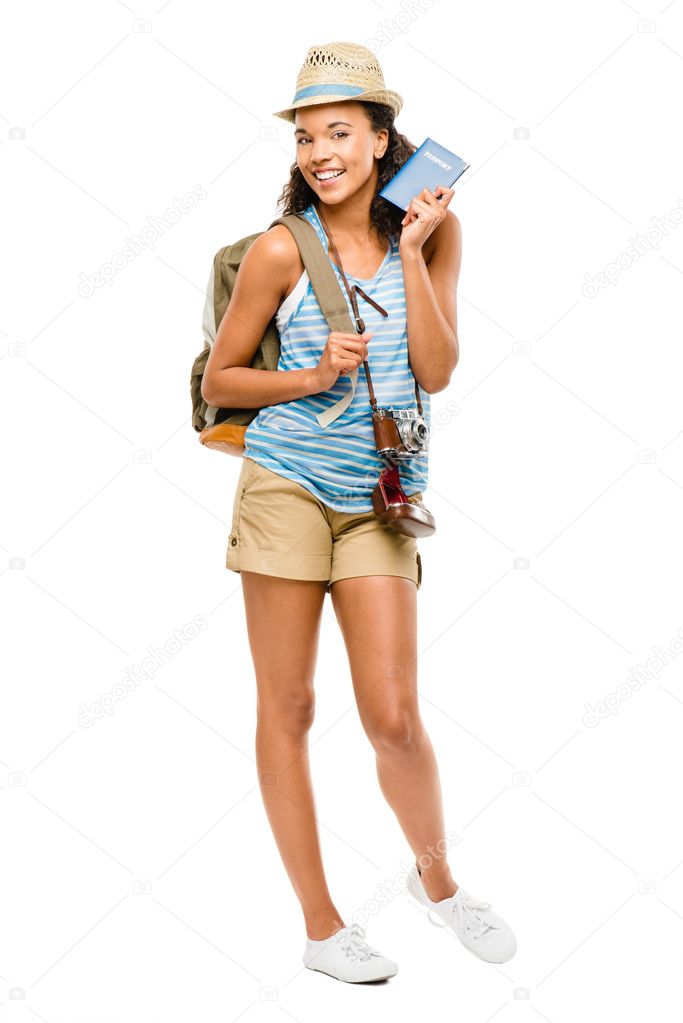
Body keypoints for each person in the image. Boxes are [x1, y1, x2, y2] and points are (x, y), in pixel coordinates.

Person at [201, 41, 516, 983]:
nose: (319, 151)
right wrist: (310, 371)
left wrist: (414, 253)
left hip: (380, 496)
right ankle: (322, 925)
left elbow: (436, 370)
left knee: (393, 718)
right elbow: (222, 378)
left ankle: (439, 882)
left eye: (339, 131)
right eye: (306, 136)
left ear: (383, 139)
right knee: (288, 705)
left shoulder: (436, 233)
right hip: (285, 487)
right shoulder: (275, 248)